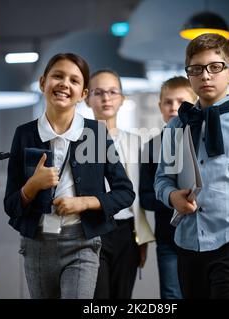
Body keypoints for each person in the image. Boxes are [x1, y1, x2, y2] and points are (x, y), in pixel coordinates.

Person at [3, 53, 135, 299]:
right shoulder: (24, 134)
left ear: (83, 94)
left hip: (83, 243)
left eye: (74, 80)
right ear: (43, 83)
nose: (65, 83)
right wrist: (32, 186)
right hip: (37, 245)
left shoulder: (96, 134)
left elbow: (125, 193)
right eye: (57, 76)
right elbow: (11, 205)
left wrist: (85, 202)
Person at [154, 34, 229, 299]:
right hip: (187, 242)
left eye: (215, 67)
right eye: (196, 69)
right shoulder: (176, 126)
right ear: (189, 75)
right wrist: (171, 196)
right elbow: (161, 180)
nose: (205, 76)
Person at [85, 69, 155, 299]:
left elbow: (137, 193)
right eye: (99, 92)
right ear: (87, 98)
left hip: (127, 232)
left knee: (122, 296)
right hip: (93, 229)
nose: (106, 98)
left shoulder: (134, 141)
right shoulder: (80, 141)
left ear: (122, 99)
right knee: (99, 298)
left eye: (113, 92)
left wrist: (142, 237)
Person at [139, 76, 197, 299]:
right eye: (168, 102)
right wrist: (172, 199)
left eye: (181, 102)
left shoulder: (202, 140)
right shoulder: (151, 146)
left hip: (204, 236)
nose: (174, 108)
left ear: (194, 102)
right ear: (160, 106)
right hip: (169, 238)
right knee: (172, 296)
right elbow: (145, 196)